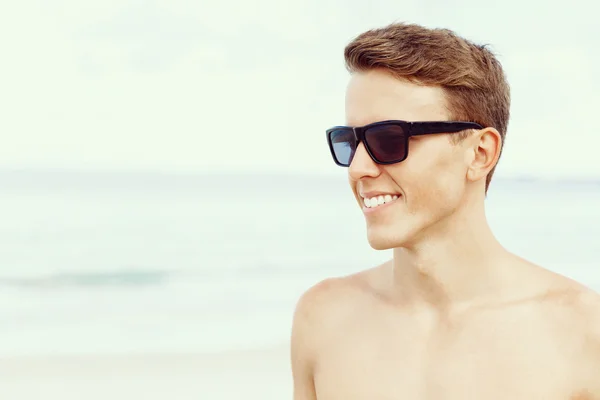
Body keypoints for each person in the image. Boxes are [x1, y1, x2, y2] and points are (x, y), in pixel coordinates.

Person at [290, 22, 600, 399]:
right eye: (348, 142)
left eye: (389, 139)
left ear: (479, 153)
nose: (358, 168)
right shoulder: (324, 319)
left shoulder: (583, 331)